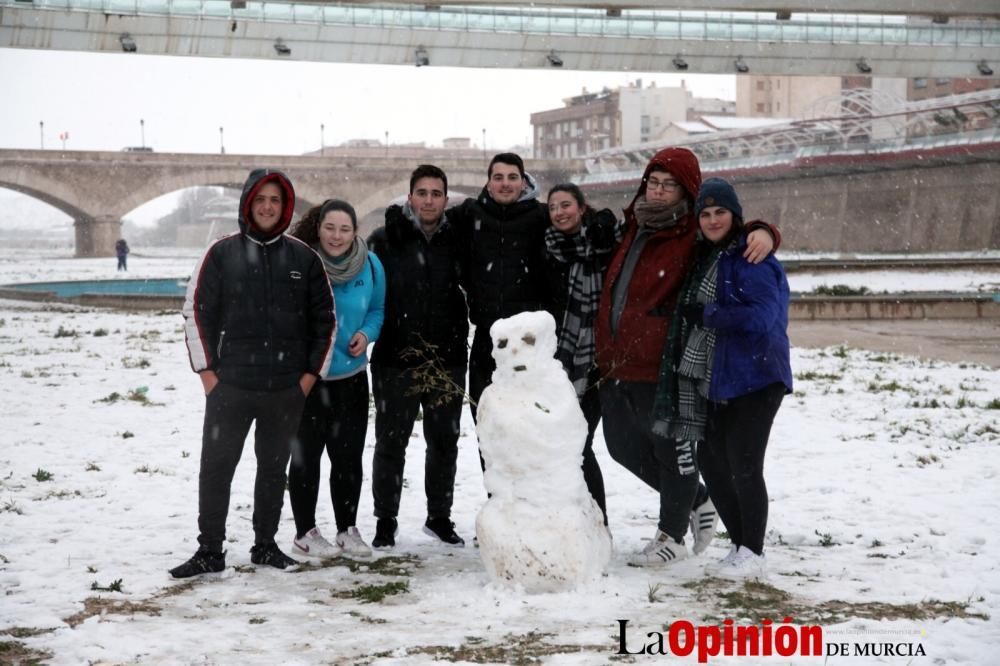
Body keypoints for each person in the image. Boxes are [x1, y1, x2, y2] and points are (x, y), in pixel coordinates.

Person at [594, 147, 780, 567]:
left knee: (671, 451)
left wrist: (765, 231)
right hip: (616, 361)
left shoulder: (691, 234)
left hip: (661, 362)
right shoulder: (634, 225)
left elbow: (732, 231)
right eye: (653, 182)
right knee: (621, 447)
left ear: (686, 192)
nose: (659, 192)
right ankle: (697, 497)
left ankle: (671, 535)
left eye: (669, 185)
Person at [172, 169, 337, 578]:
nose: (267, 207)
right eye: (260, 199)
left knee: (272, 468)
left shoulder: (303, 257)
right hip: (231, 386)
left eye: (275, 201)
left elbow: (326, 321)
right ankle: (210, 549)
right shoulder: (221, 253)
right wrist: (208, 374)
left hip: (285, 389)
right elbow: (196, 312)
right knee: (216, 468)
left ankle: (265, 545)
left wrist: (307, 379)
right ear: (248, 203)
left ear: (285, 207)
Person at [653, 177, 792, 578]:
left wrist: (710, 315)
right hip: (720, 378)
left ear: (735, 215)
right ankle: (740, 546)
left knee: (745, 465)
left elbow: (763, 318)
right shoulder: (708, 256)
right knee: (713, 465)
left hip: (758, 375)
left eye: (720, 212)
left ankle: (753, 550)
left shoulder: (751, 257)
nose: (713, 220)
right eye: (706, 213)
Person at [367, 165, 470, 548]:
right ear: (409, 197)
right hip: (395, 357)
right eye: (422, 193)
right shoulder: (385, 238)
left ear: (446, 199)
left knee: (444, 441)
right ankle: (385, 520)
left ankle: (439, 517)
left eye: (436, 193)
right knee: (391, 443)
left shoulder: (459, 238)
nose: (429, 200)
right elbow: (362, 289)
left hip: (448, 358)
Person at [286, 200, 385, 559]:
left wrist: (367, 333)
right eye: (330, 228)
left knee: (348, 458)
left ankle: (347, 529)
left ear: (354, 231)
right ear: (318, 228)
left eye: (345, 229)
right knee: (306, 456)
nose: (337, 236)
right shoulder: (301, 263)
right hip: (311, 378)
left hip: (352, 378)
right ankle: (305, 531)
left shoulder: (370, 265)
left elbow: (377, 310)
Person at [450, 153, 551, 422]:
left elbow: (577, 215)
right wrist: (397, 219)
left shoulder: (542, 215)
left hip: (530, 341)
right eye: (498, 178)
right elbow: (428, 220)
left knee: (530, 422)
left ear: (523, 182)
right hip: (487, 337)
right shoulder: (470, 213)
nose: (505, 184)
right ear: (488, 183)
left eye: (512, 177)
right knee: (486, 421)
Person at [543, 183, 621, 525]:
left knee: (579, 443)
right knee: (570, 446)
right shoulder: (550, 248)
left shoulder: (607, 240)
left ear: (581, 207)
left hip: (601, 361)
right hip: (560, 364)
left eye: (566, 205)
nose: (560, 212)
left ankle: (597, 522)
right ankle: (581, 521)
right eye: (553, 207)